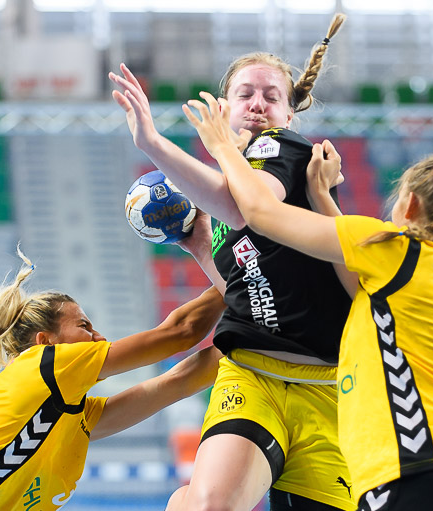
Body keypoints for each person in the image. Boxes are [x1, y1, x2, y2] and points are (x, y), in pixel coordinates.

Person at [183, 92, 433, 511]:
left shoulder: (394, 248)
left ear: (410, 204)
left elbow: (260, 213)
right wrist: (320, 194)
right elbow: (358, 285)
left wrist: (222, 146)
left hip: (427, 465)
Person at [109, 14, 358, 511]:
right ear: (225, 105)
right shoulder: (227, 181)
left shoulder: (282, 149)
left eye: (272, 96)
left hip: (328, 389)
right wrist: (200, 247)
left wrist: (152, 143)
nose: (258, 105)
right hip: (252, 374)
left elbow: (247, 209)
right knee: (213, 507)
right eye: (246, 94)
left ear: (289, 115)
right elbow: (245, 284)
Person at [0, 247, 226, 511]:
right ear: (45, 342)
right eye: (84, 326)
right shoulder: (44, 365)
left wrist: (252, 336)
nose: (99, 338)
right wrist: (240, 275)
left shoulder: (64, 415)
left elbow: (179, 382)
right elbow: (181, 332)